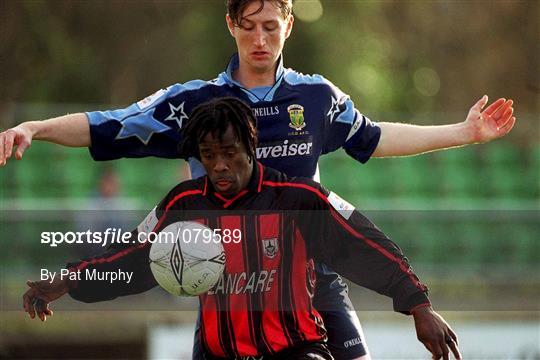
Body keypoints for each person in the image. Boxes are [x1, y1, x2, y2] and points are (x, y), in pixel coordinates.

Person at [4, 0, 515, 358]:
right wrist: (36, 128)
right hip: (227, 279)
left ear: (289, 24)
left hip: (310, 275)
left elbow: (374, 138)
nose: (260, 38)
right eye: (249, 26)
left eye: (271, 25)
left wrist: (464, 132)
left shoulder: (316, 98)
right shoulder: (194, 102)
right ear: (231, 25)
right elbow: (108, 125)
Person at [23, 97, 461, 360]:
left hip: (295, 351)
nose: (218, 165)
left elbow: (363, 244)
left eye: (229, 153)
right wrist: (68, 281)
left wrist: (418, 305)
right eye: (208, 154)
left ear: (251, 146)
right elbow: (135, 257)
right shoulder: (183, 204)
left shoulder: (298, 199)